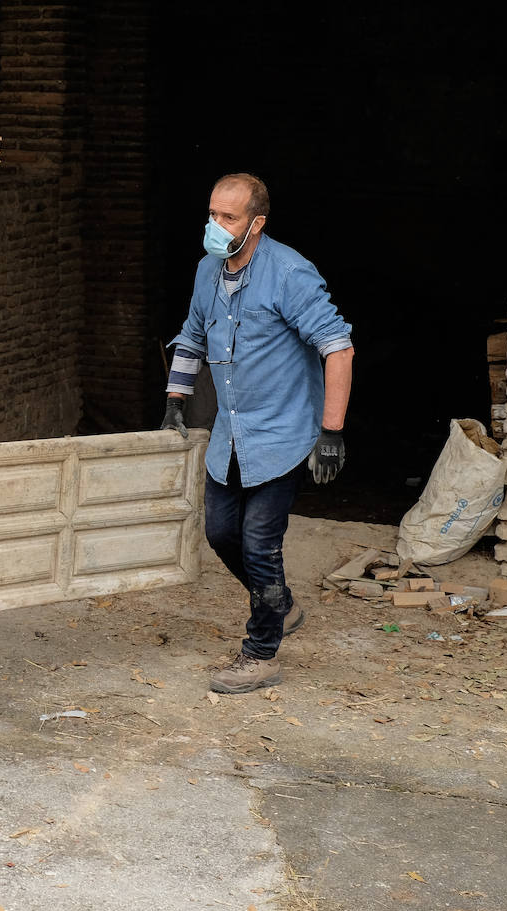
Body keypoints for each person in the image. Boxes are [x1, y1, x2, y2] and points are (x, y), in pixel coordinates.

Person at [161, 173, 354, 694]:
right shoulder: (208, 270)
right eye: (212, 214)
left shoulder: (290, 274)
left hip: (283, 434)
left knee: (259, 543)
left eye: (229, 217)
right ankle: (281, 605)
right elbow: (192, 336)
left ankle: (260, 653)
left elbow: (338, 347)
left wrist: (330, 431)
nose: (216, 226)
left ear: (257, 223)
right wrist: (176, 398)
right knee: (220, 533)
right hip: (231, 435)